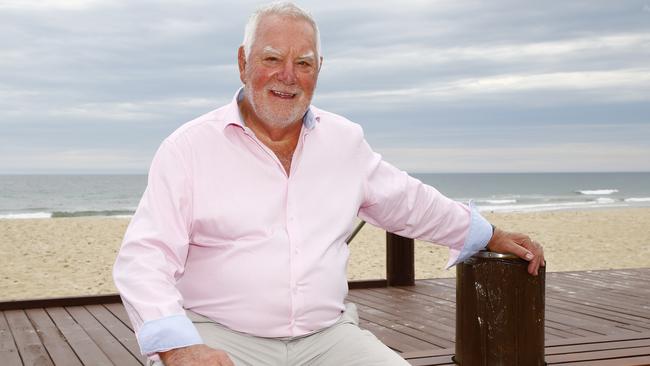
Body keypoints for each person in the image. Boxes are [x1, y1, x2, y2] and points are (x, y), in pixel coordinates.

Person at [113, 2, 545, 365]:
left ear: (318, 69)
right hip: (220, 336)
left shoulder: (345, 141)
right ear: (243, 62)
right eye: (271, 59)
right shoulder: (187, 149)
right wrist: (179, 347)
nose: (288, 75)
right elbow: (144, 258)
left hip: (328, 339)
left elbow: (410, 202)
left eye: (303, 63)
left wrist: (491, 233)